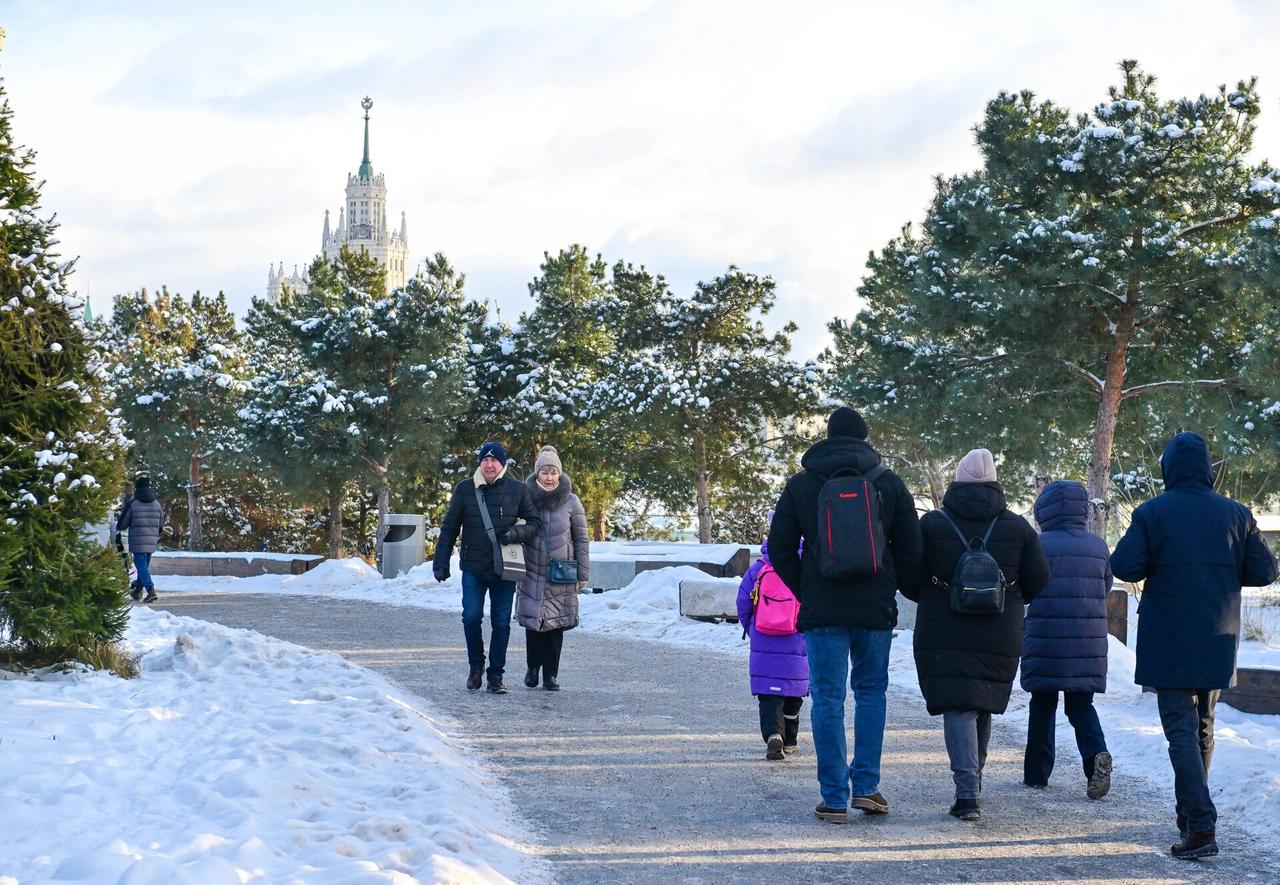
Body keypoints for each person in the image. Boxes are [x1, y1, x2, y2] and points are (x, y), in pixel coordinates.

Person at [1111, 431, 1278, 860]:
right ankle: (1191, 817)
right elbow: (1264, 571)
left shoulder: (1152, 513)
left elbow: (1125, 564)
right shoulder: (1236, 514)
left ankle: (1200, 824)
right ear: (1207, 468)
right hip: (1216, 636)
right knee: (1203, 727)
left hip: (1168, 637)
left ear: (1168, 468)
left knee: (1180, 733)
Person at [769, 406, 922, 823]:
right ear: (864, 438)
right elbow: (911, 548)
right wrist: (895, 586)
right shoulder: (888, 483)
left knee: (828, 697)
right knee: (871, 692)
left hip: (823, 609)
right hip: (874, 608)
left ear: (828, 436)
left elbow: (780, 548)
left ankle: (834, 797)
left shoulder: (802, 484)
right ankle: (868, 788)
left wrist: (810, 588)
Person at [905, 448, 1049, 822]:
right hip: (1000, 628)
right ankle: (974, 781)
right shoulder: (1018, 528)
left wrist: (933, 593)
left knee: (959, 703)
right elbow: (1040, 579)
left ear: (957, 481)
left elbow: (908, 576)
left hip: (943, 625)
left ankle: (968, 792)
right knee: (979, 700)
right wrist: (1010, 599)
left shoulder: (932, 524)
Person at [1021, 480, 1113, 799]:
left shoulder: (1037, 544)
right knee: (1081, 705)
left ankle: (1036, 774)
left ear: (1044, 510)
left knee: (1043, 705)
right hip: (1087, 642)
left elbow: (1024, 589)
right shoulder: (1098, 546)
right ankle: (1095, 755)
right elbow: (1105, 588)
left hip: (1046, 639)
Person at [433, 442, 541, 694]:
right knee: (471, 617)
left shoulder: (518, 490)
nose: (489, 465)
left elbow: (535, 524)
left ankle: (496, 676)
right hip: (473, 567)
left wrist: (515, 532)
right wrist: (441, 561)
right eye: (485, 460)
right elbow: (450, 528)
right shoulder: (464, 489)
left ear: (502, 464)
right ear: (480, 463)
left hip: (504, 568)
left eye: (494, 461)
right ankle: (475, 667)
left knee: (501, 623)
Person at [516, 446, 590, 692]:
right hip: (531, 569)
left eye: (553, 472)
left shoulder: (571, 501)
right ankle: (532, 668)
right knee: (533, 623)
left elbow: (581, 539)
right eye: (544, 472)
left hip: (561, 572)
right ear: (537, 473)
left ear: (559, 474)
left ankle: (551, 674)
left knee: (556, 625)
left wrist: (583, 572)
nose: (549, 477)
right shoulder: (524, 497)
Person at [736, 514, 808, 760]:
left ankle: (773, 735)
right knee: (793, 692)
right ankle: (791, 739)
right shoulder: (806, 566)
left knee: (768, 693)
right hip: (797, 640)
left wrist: (753, 627)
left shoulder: (759, 568)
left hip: (764, 638)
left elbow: (743, 602)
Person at [116, 475, 164, 603]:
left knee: (141, 566)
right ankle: (137, 591)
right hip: (152, 541)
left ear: (137, 489)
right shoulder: (157, 504)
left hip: (137, 541)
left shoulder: (133, 503)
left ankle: (150, 590)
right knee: (144, 567)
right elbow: (161, 523)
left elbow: (122, 524)